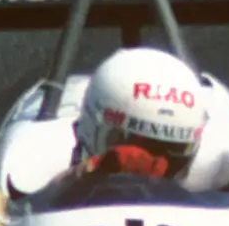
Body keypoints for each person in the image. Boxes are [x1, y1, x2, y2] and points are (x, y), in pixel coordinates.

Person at [45, 48, 216, 204]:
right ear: (93, 131)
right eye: (135, 144)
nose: (150, 163)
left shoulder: (210, 192)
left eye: (174, 149)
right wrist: (83, 178)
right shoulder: (48, 172)